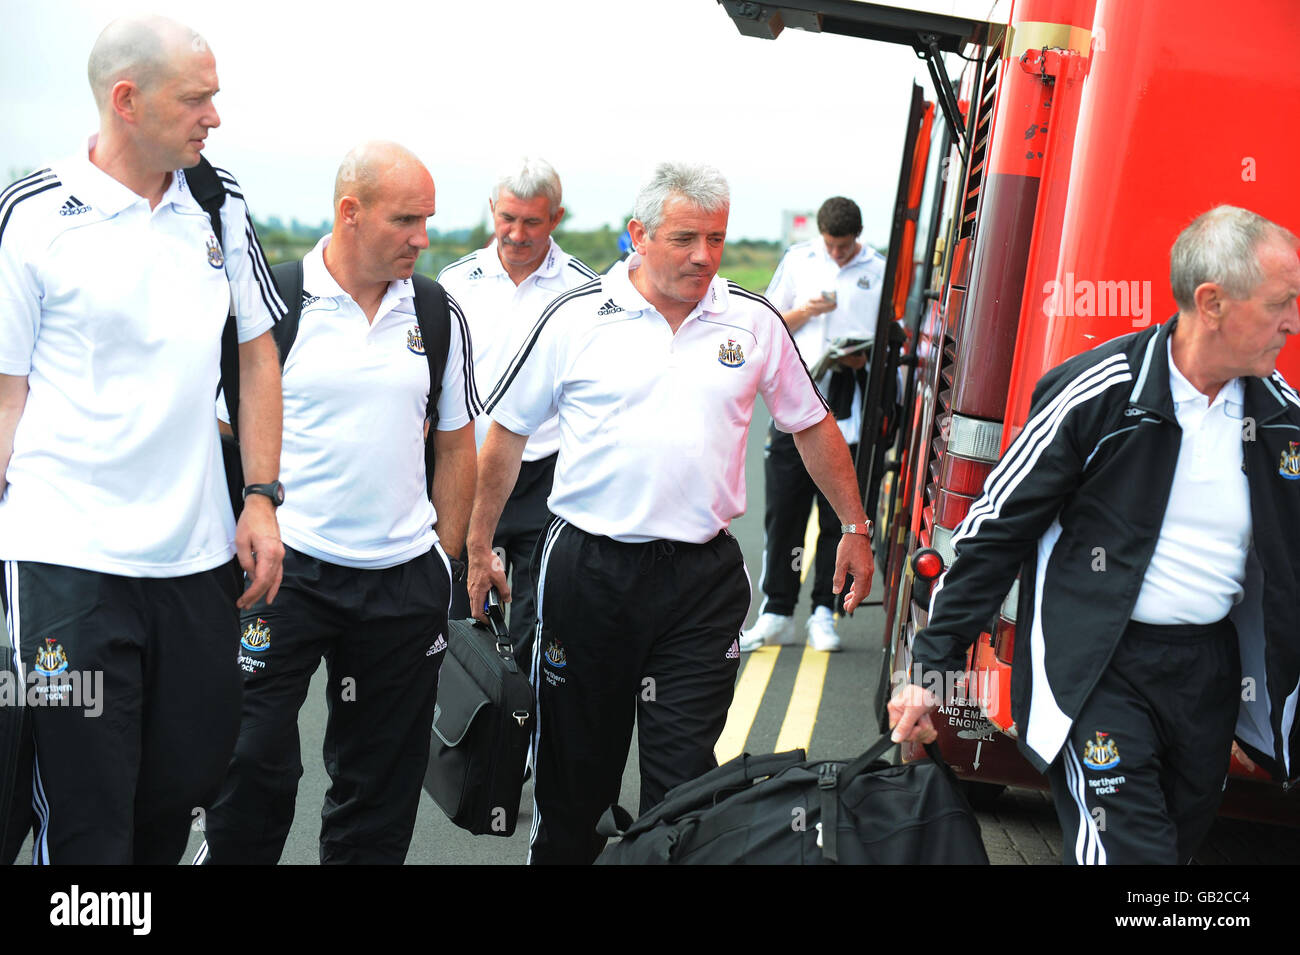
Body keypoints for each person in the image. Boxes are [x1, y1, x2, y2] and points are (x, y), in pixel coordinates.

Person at [467, 162, 875, 864]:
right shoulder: (574, 316)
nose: (703, 255)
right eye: (685, 237)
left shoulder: (752, 321)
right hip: (587, 572)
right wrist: (477, 546)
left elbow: (811, 423)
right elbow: (505, 432)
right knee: (576, 783)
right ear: (638, 236)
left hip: (699, 580)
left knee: (685, 787)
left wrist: (856, 527)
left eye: (715, 238)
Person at [889, 205, 1300, 864]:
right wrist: (930, 671)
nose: (1293, 322)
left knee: (1173, 849)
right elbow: (995, 530)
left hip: (1208, 676)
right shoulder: (1097, 393)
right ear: (1212, 302)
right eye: (1281, 303)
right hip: (1099, 668)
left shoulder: (1281, 416)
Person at [0, 15, 285, 865]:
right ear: (127, 100)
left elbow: (257, 353)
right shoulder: (34, 211)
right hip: (65, 561)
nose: (214, 117)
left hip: (193, 561)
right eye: (196, 99)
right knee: (90, 821)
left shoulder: (217, 200)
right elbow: (5, 391)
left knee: (179, 791)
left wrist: (262, 498)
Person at [196, 142, 479, 865]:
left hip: (400, 583)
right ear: (349, 213)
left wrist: (447, 560)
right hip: (284, 575)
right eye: (406, 219)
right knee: (251, 760)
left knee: (379, 782)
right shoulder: (272, 303)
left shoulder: (438, 311)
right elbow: (215, 435)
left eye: (429, 220)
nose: (424, 237)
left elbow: (454, 444)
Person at [438, 158, 595, 660]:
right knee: (459, 618)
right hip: (465, 470)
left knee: (536, 622)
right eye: (507, 218)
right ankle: (462, 738)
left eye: (532, 221)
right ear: (491, 210)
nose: (516, 233)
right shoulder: (454, 281)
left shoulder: (585, 291)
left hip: (545, 475)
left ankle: (525, 734)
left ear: (557, 218)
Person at [741, 196, 884, 653]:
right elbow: (767, 322)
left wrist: (866, 355)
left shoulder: (879, 270)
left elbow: (894, 335)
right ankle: (776, 611)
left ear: (856, 237)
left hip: (849, 406)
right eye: (831, 245)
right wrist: (806, 311)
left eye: (844, 246)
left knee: (836, 519)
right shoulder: (799, 260)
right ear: (820, 235)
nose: (837, 253)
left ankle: (825, 611)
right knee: (783, 513)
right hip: (793, 404)